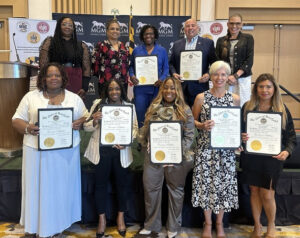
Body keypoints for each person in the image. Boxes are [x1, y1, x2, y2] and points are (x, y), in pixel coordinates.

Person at [12, 62, 87, 237]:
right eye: (50, 75)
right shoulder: (31, 97)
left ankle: (58, 226)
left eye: (57, 75)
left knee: (60, 189)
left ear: (63, 78)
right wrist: (28, 127)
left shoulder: (73, 98)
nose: (54, 78)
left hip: (65, 154)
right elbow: (16, 120)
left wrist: (80, 123)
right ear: (43, 79)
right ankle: (37, 226)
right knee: (38, 189)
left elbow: (86, 118)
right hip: (36, 153)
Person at [240, 73, 297, 238]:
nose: (264, 90)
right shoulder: (247, 107)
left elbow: (291, 138)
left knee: (267, 193)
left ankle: (271, 225)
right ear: (256, 89)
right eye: (261, 86)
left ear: (274, 89)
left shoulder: (282, 109)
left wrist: (286, 152)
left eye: (268, 87)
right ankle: (257, 226)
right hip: (252, 157)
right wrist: (242, 137)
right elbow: (239, 132)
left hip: (272, 158)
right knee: (254, 191)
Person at [138, 77, 195, 238]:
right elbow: (146, 130)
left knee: (176, 191)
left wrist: (174, 154)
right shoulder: (153, 107)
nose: (169, 91)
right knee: (151, 190)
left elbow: (189, 136)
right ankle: (151, 225)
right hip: (154, 157)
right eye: (166, 88)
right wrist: (148, 141)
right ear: (162, 90)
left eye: (172, 88)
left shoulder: (185, 109)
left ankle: (173, 227)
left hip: (177, 158)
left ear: (177, 91)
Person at [83, 78, 138, 238]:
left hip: (121, 152)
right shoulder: (99, 104)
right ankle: (102, 220)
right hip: (101, 152)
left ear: (122, 90)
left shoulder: (129, 107)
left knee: (122, 185)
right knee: (100, 186)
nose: (114, 92)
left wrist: (127, 141)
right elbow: (86, 127)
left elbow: (135, 128)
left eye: (117, 89)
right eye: (111, 89)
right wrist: (94, 120)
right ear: (107, 91)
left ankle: (120, 217)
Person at [191, 61, 240, 238]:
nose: (219, 78)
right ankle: (208, 223)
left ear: (228, 77)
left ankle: (219, 224)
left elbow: (235, 125)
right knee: (206, 187)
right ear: (210, 77)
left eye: (223, 75)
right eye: (216, 74)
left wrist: (237, 140)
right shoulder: (200, 98)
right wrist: (202, 125)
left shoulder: (234, 99)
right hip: (205, 149)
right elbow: (191, 121)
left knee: (223, 188)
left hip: (226, 152)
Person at [169, 18, 217, 107]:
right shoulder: (177, 44)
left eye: (193, 25)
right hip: (181, 87)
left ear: (198, 28)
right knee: (181, 114)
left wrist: (208, 75)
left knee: (199, 116)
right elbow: (171, 63)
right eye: (187, 26)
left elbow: (214, 64)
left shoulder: (208, 43)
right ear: (184, 29)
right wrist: (174, 73)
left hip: (200, 86)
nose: (190, 28)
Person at [39, 16, 91, 98]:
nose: (67, 27)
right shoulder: (50, 42)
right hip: (55, 77)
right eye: (64, 24)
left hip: (75, 79)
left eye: (70, 25)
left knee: (75, 105)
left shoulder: (81, 45)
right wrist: (45, 82)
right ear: (59, 26)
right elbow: (43, 66)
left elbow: (86, 68)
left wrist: (84, 87)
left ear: (73, 28)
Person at [129, 24, 169, 127]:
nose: (148, 36)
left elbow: (166, 69)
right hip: (140, 89)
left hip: (157, 88)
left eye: (151, 34)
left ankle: (153, 140)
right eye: (146, 34)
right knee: (140, 114)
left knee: (156, 114)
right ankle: (142, 140)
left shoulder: (162, 50)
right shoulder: (136, 50)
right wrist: (132, 75)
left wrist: (162, 79)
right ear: (142, 36)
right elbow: (131, 66)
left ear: (155, 35)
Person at [216, 13, 254, 107]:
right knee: (225, 104)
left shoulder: (248, 38)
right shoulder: (221, 40)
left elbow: (249, 60)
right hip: (225, 78)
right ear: (228, 24)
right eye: (232, 23)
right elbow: (218, 61)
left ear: (241, 24)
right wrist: (227, 76)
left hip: (243, 78)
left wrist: (236, 76)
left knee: (243, 104)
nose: (234, 26)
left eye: (237, 23)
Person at [92, 18, 130, 95]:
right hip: (106, 83)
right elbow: (94, 64)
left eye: (117, 29)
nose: (115, 31)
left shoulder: (124, 46)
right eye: (112, 29)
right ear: (107, 31)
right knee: (106, 106)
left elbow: (127, 64)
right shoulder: (101, 45)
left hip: (122, 84)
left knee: (121, 106)